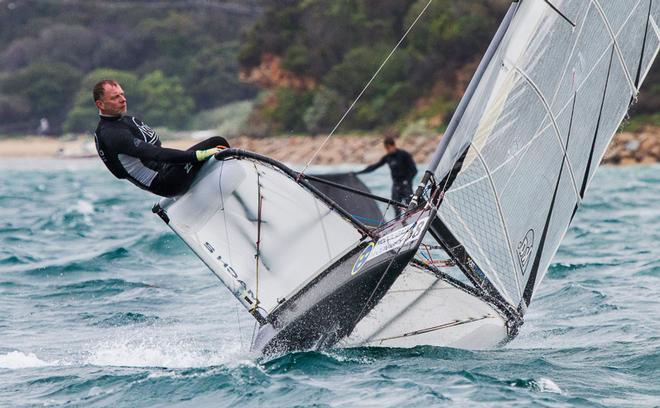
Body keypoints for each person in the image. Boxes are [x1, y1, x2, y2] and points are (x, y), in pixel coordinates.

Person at [92, 79, 228, 197]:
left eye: (122, 94)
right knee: (216, 143)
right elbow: (155, 153)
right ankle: (232, 189)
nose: (123, 99)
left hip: (169, 170)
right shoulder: (111, 134)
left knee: (211, 148)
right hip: (166, 182)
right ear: (100, 104)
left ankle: (221, 187)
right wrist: (198, 155)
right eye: (115, 97)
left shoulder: (123, 121)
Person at [356, 137, 417, 218]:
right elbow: (375, 166)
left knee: (410, 208)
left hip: (406, 185)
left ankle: (412, 221)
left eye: (388, 148)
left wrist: (407, 181)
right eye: (386, 148)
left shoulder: (404, 155)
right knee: (396, 208)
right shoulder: (388, 157)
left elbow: (414, 170)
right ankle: (399, 224)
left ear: (393, 145)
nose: (387, 150)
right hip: (396, 185)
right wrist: (358, 173)